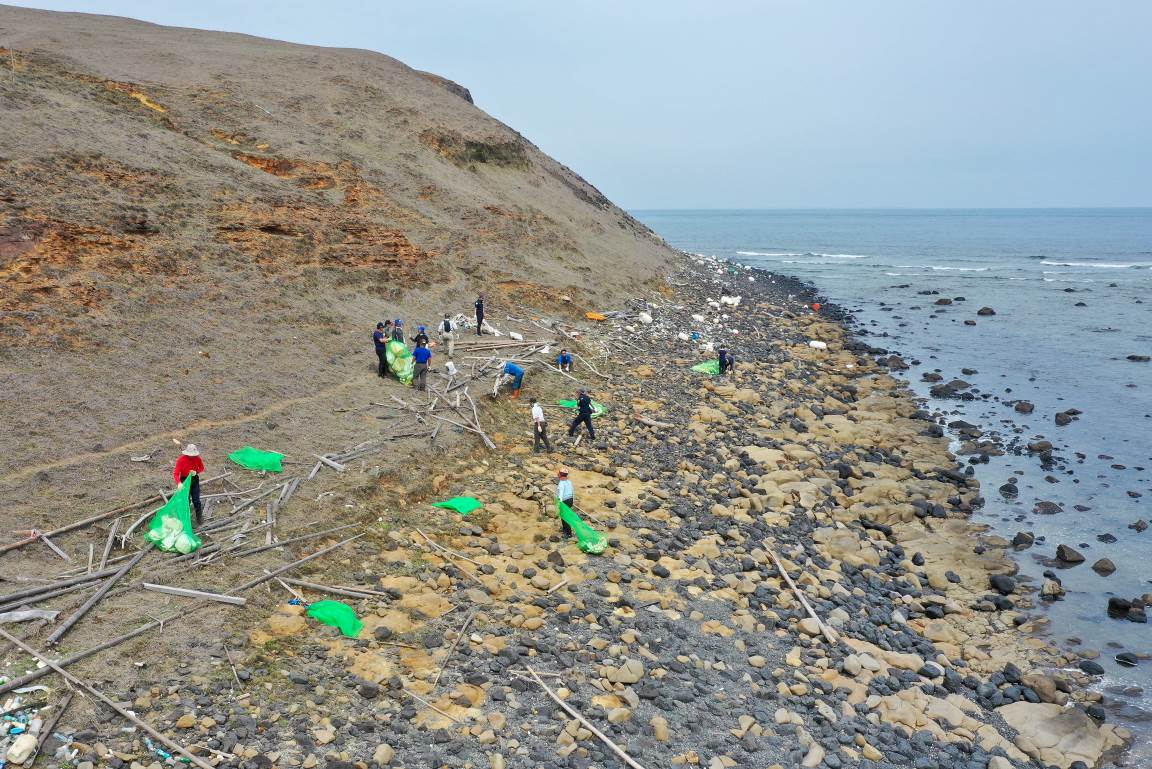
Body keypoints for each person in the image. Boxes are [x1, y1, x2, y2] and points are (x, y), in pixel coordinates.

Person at [174, 444, 206, 526]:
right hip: (184, 481)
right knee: (186, 501)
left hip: (194, 479)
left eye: (193, 455)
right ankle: (185, 519)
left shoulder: (197, 458)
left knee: (196, 500)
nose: (192, 457)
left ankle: (199, 517)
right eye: (190, 455)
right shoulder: (181, 460)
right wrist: (179, 483)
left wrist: (197, 472)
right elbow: (176, 473)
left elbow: (202, 468)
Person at [556, 469, 574, 538]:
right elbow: (572, 491)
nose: (558, 474)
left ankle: (569, 533)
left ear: (560, 474)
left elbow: (560, 494)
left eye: (559, 473)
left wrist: (559, 503)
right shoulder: (569, 482)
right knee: (563, 515)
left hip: (565, 501)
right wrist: (572, 501)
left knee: (565, 517)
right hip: (570, 499)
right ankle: (564, 529)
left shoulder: (561, 483)